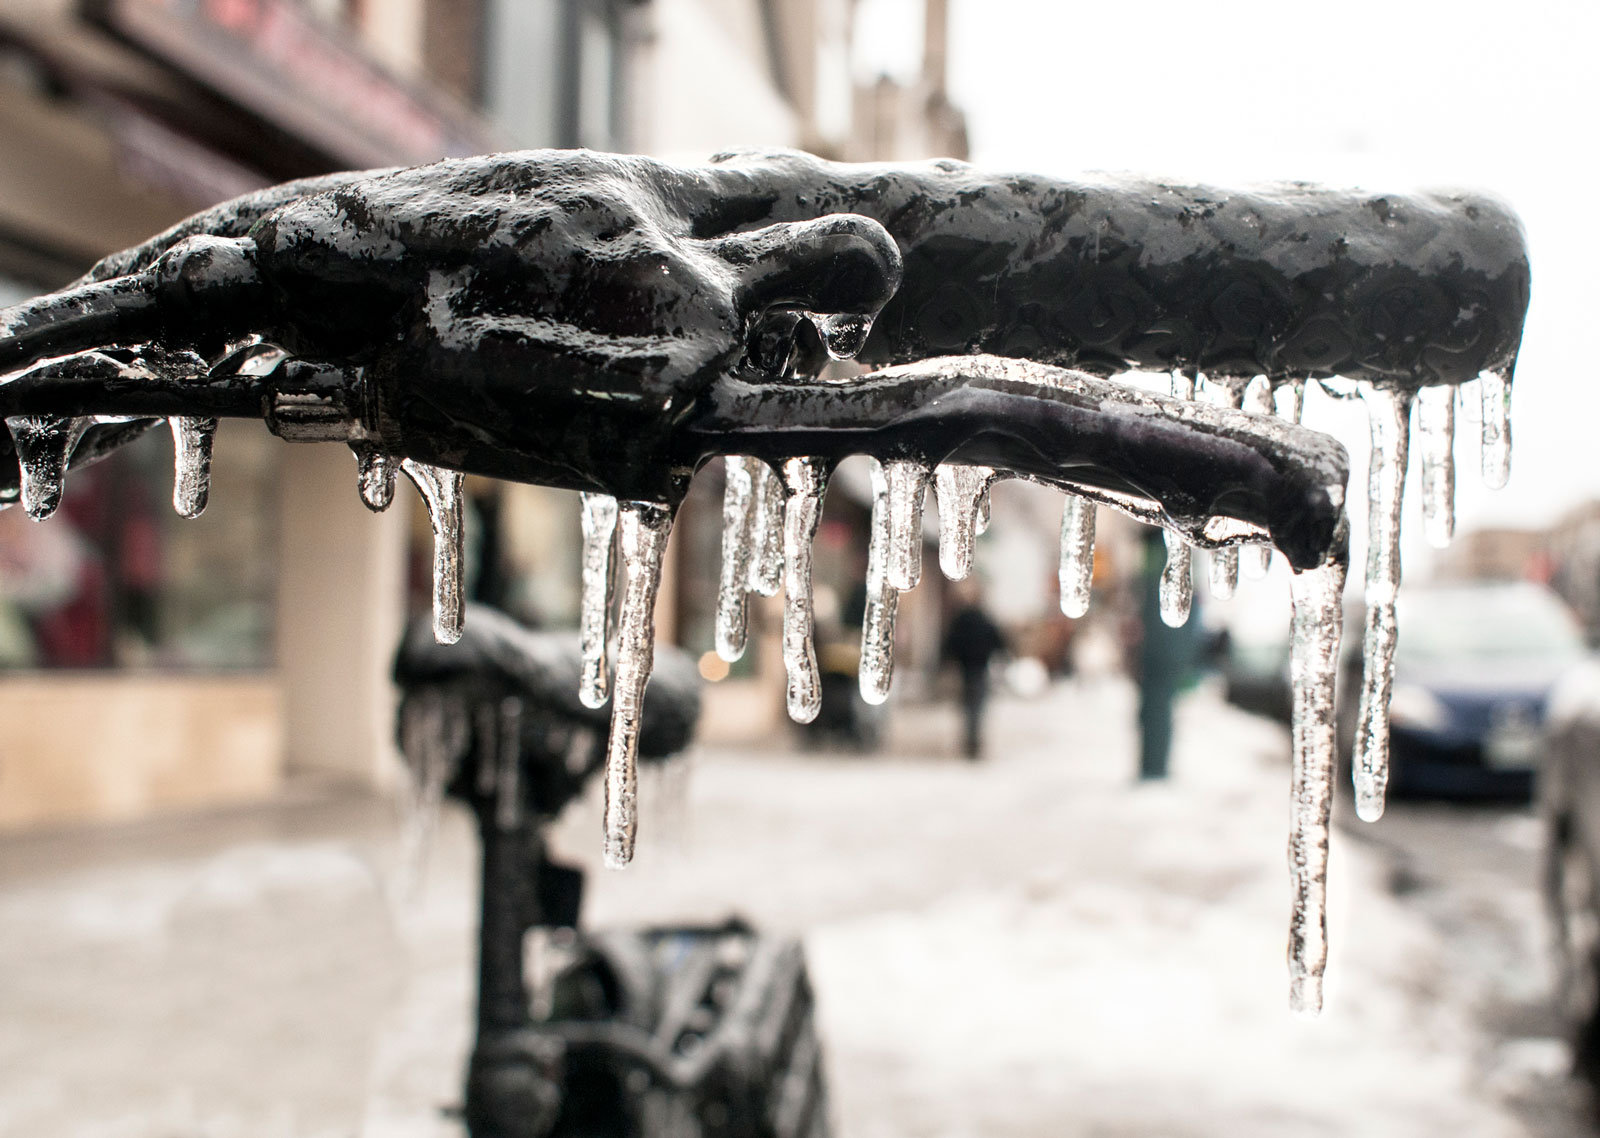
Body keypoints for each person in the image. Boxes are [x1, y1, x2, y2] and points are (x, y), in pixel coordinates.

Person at [1134, 529, 1204, 780]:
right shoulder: (1170, 558)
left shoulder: (1162, 555)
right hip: (1163, 652)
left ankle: (1153, 768)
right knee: (1155, 710)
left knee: (1156, 709)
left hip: (1160, 654)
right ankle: (1153, 767)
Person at [942, 581, 1007, 759]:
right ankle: (973, 740)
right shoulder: (983, 618)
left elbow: (950, 643)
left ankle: (970, 740)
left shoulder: (960, 619)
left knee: (968, 707)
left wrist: (950, 660)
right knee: (976, 707)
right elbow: (999, 641)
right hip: (978, 668)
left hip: (965, 669)